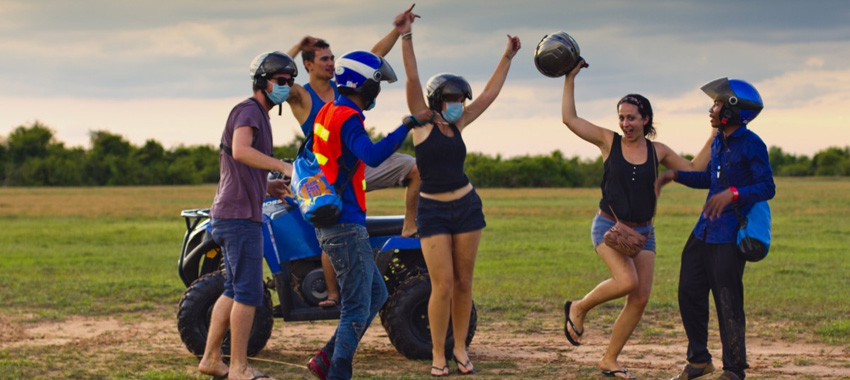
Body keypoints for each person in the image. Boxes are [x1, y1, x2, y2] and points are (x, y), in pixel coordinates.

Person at [559, 59, 714, 379]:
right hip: (608, 227)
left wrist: (715, 130)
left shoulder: (658, 152)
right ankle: (578, 307)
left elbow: (696, 168)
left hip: (644, 233)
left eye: (631, 118)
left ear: (646, 119)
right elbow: (570, 119)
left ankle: (609, 359)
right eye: (621, 118)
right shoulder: (608, 141)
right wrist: (570, 78)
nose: (625, 124)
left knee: (640, 297)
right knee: (627, 281)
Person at [396, 10, 521, 376]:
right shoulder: (421, 124)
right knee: (443, 284)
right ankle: (438, 353)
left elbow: (489, 95)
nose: (458, 105)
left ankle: (462, 349)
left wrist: (507, 56)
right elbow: (413, 77)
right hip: (432, 212)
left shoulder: (460, 122)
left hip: (467, 208)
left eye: (460, 100)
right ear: (437, 101)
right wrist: (406, 36)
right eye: (451, 99)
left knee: (465, 282)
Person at [305, 48, 433, 380]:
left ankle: (326, 359)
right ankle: (338, 372)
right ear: (366, 84)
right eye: (377, 83)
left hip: (331, 220)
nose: (378, 90)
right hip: (345, 224)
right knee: (356, 308)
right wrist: (405, 126)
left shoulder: (328, 111)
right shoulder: (348, 116)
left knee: (377, 294)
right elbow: (372, 155)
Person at [284, 6, 420, 309]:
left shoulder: (342, 88)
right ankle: (333, 295)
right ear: (308, 65)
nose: (331, 63)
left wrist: (398, 31)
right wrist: (298, 46)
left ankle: (410, 227)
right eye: (324, 59)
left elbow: (371, 58)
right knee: (334, 224)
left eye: (333, 58)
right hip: (329, 174)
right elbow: (278, 74)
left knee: (414, 168)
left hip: (356, 161)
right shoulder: (302, 96)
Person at [657, 78, 775, 380]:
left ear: (733, 110)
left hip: (729, 236)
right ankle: (698, 360)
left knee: (728, 301)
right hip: (703, 231)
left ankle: (734, 370)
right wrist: (673, 175)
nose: (712, 109)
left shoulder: (752, 144)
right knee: (688, 292)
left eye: (718, 104)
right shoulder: (719, 141)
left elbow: (767, 186)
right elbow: (711, 179)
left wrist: (734, 193)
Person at [197, 51, 295, 380]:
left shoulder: (259, 115)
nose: (287, 86)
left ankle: (212, 359)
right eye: (281, 81)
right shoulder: (248, 110)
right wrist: (282, 165)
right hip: (239, 218)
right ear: (262, 82)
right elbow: (240, 151)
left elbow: (241, 167)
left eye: (290, 81)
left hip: (234, 213)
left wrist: (270, 186)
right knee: (250, 293)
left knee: (234, 290)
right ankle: (239, 367)